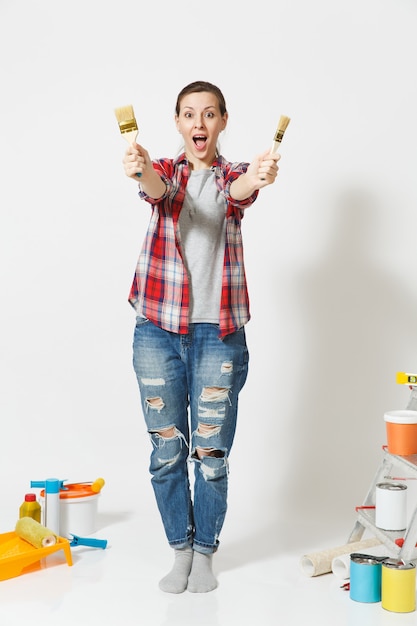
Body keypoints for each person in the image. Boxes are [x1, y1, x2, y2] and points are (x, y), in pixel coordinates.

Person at [122, 81, 280, 593]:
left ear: (223, 121)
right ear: (178, 123)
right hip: (157, 331)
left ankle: (206, 551)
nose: (199, 124)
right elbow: (154, 187)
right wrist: (139, 165)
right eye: (189, 115)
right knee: (165, 451)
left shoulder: (231, 175)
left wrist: (256, 175)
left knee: (210, 455)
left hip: (218, 334)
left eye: (209, 114)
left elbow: (240, 192)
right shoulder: (167, 172)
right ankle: (180, 549)